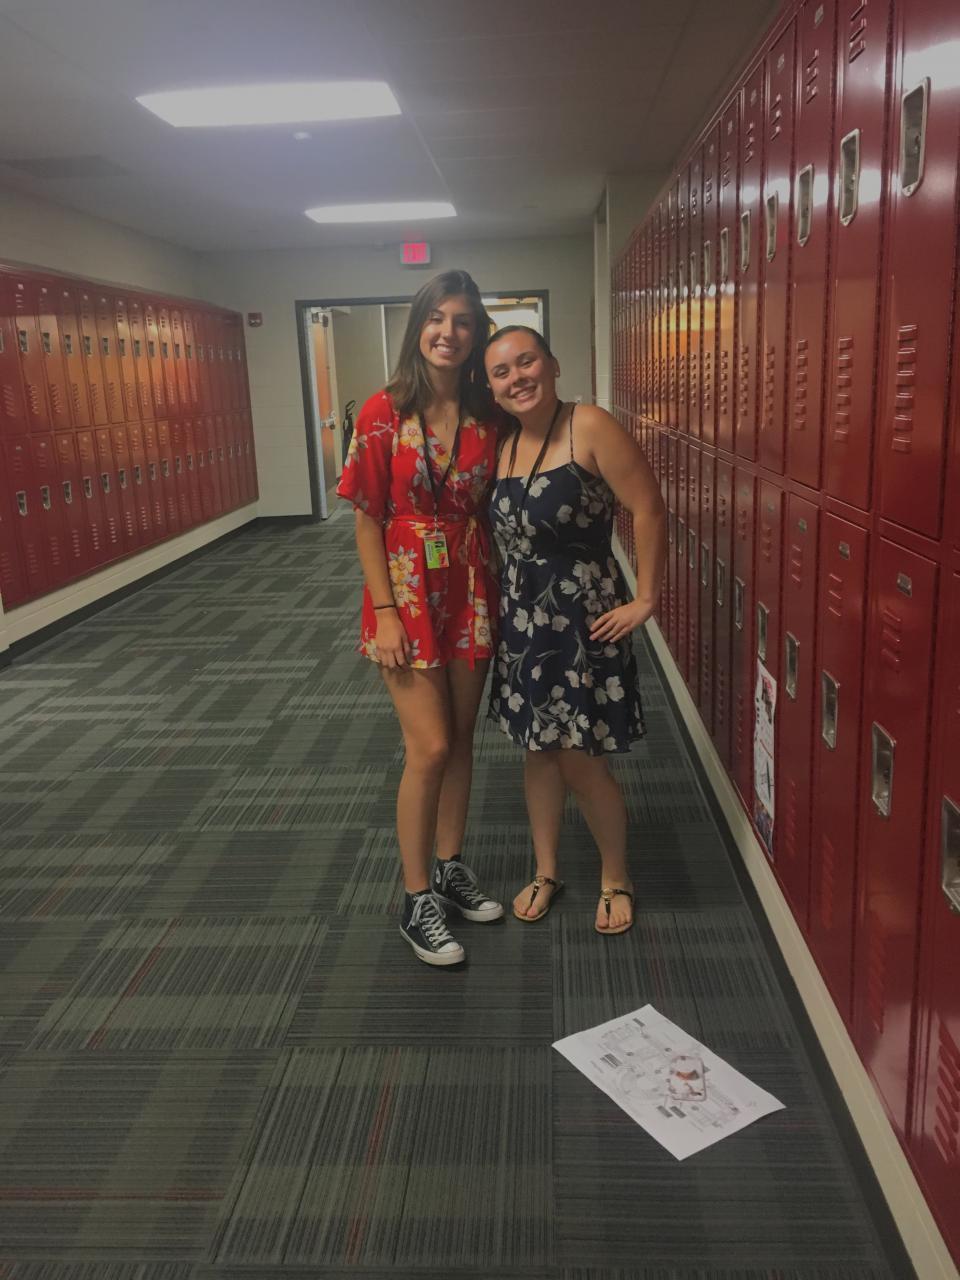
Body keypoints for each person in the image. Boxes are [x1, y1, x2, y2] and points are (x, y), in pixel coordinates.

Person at [337, 270, 504, 966]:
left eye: (462, 321)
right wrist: (384, 613)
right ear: (419, 327)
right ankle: (415, 898)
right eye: (437, 318)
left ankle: (450, 866)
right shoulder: (384, 410)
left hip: (470, 583)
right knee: (429, 747)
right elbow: (367, 519)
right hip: (405, 590)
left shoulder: (488, 410)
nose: (448, 332)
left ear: (477, 332)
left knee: (462, 741)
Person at [484, 326, 666, 935]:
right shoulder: (506, 443)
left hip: (581, 622)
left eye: (526, 361)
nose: (517, 378)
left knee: (580, 760)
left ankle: (616, 875)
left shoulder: (588, 425)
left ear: (553, 364)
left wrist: (646, 598)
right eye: (502, 372)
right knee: (538, 753)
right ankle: (547, 870)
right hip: (523, 624)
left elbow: (649, 506)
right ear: (492, 387)